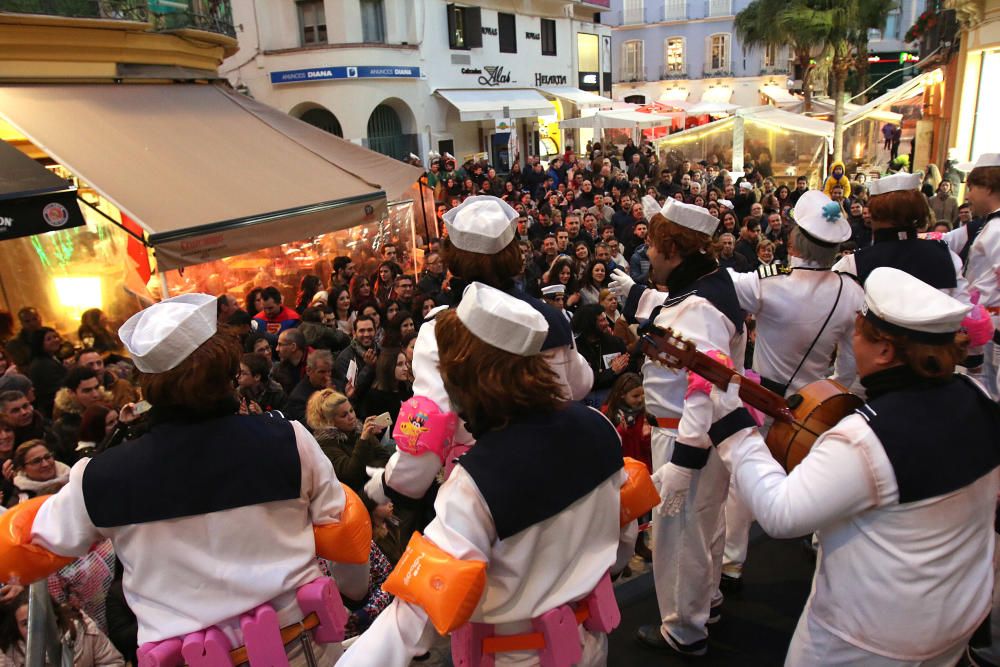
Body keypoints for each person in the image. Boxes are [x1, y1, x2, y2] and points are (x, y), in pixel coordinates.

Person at [6, 293, 372, 665]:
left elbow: (28, 542)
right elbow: (341, 530)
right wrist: (353, 592)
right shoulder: (289, 441)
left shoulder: (100, 478)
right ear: (229, 369)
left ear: (146, 385)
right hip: (301, 647)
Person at [706, 267, 1000, 665]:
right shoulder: (977, 396)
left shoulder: (864, 439)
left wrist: (733, 426)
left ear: (884, 351)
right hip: (957, 614)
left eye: (858, 332)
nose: (851, 341)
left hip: (869, 638)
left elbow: (782, 513)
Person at [339, 283, 632, 667]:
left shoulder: (475, 482)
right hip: (590, 639)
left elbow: (417, 612)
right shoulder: (597, 426)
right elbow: (624, 536)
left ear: (474, 378)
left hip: (518, 655)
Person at [369, 196, 593, 511]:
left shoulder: (441, 329)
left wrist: (393, 484)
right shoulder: (549, 316)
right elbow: (581, 384)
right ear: (515, 254)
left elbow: (431, 420)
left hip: (486, 488)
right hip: (559, 471)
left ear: (453, 259)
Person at [612, 197, 748, 657]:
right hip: (705, 436)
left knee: (680, 534)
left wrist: (682, 464)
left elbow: (704, 384)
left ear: (672, 248)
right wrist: (635, 295)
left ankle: (684, 629)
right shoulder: (709, 284)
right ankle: (705, 603)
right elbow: (674, 311)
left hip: (685, 435)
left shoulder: (699, 308)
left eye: (652, 245)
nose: (647, 254)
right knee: (706, 526)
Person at [722, 189, 864, 586]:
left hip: (765, 400)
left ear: (792, 240)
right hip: (817, 406)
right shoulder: (851, 292)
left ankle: (731, 563)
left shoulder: (770, 283)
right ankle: (820, 544)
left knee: (744, 481)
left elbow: (723, 282)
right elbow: (850, 366)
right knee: (822, 478)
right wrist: (830, 392)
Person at [943, 153, 1000, 400]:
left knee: (989, 391)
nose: (968, 196)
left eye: (972, 187)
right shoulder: (990, 224)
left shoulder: (997, 228)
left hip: (991, 327)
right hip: (986, 324)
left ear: (988, 187)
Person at [0, 589, 124, 666]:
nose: (34, 629)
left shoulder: (84, 630)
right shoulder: (11, 653)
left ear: (54, 617)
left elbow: (113, 663)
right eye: (25, 624)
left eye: (39, 619)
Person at [306, 389, 390, 495]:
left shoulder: (358, 430)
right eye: (344, 415)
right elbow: (351, 476)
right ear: (331, 421)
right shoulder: (326, 443)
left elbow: (385, 458)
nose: (351, 417)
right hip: (351, 497)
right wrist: (363, 440)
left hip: (374, 485)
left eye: (351, 410)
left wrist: (367, 437)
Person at [572, 304, 629, 408]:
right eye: (602, 320)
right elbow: (583, 382)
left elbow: (628, 371)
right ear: (589, 324)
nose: (607, 323)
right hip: (586, 400)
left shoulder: (615, 342)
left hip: (614, 398)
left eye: (606, 319)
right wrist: (612, 372)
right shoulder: (575, 349)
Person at [52, 366, 110, 463]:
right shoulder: (64, 428)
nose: (95, 395)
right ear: (71, 393)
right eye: (87, 391)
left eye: (96, 387)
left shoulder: (110, 409)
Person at [333, 315, 378, 405]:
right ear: (354, 333)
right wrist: (369, 367)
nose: (366, 334)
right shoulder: (344, 358)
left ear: (375, 331)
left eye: (370, 330)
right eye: (362, 331)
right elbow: (350, 393)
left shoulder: (382, 351)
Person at [360, 348, 411, 423]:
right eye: (400, 364)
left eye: (406, 363)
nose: (406, 368)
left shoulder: (406, 388)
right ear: (388, 367)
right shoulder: (375, 397)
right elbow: (378, 428)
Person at [283, 349, 334, 423]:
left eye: (329, 371)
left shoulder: (332, 385)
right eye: (322, 372)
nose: (327, 376)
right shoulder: (298, 398)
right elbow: (312, 424)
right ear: (308, 370)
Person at [28, 327, 67, 418]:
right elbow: (56, 388)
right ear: (40, 343)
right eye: (49, 339)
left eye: (55, 337)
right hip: (53, 409)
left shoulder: (50, 358)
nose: (55, 340)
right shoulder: (41, 364)